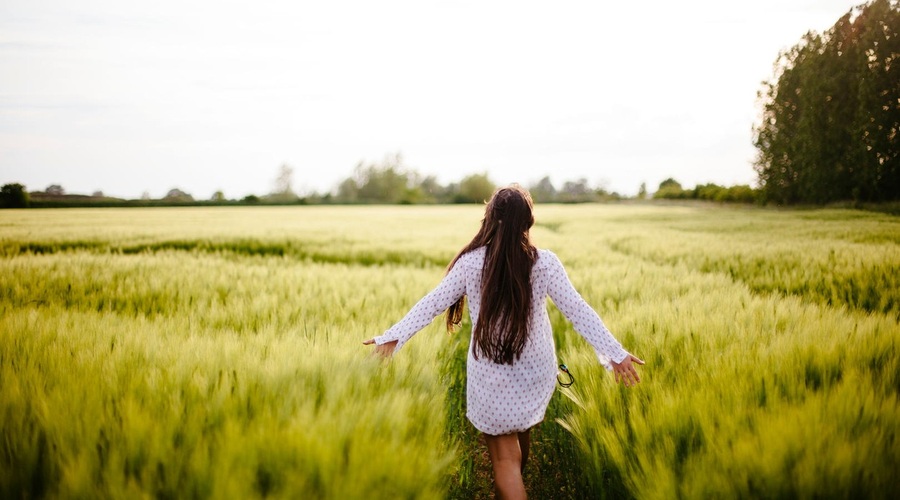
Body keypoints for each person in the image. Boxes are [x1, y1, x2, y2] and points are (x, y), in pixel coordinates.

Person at [363, 185, 644, 499]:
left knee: (505, 461)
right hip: (536, 370)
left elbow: (433, 303)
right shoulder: (544, 262)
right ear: (528, 222)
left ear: (490, 218)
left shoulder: (472, 263)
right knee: (518, 440)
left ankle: (511, 489)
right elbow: (579, 310)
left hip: (493, 372)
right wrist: (615, 353)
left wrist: (392, 338)